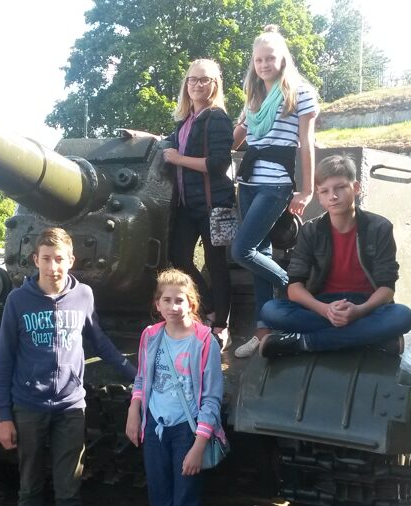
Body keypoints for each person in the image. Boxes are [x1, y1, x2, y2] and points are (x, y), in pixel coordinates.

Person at [0, 227, 137, 506]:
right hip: (28, 407)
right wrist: (4, 415)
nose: (53, 266)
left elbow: (99, 341)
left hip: (70, 407)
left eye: (59, 259)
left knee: (69, 490)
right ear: (35, 260)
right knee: (29, 487)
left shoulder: (83, 295)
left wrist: (135, 374)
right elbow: (4, 360)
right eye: (46, 258)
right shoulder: (18, 301)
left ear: (71, 260)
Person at [125, 269, 225, 506]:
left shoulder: (204, 341)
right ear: (157, 304)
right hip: (156, 427)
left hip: (187, 430)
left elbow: (211, 398)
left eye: (179, 300)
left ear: (191, 303)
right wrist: (134, 409)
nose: (173, 306)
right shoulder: (151, 335)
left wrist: (199, 445)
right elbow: (142, 378)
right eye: (166, 300)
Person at [259, 154, 411, 357]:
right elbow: (294, 288)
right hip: (322, 305)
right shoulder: (311, 230)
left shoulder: (379, 227)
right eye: (325, 191)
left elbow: (387, 288)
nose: (333, 196)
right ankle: (370, 340)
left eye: (340, 187)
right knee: (271, 310)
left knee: (403, 316)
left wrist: (359, 311)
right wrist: (325, 310)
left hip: (366, 306)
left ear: (356, 188)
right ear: (319, 196)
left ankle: (305, 343)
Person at [231, 25, 319, 358]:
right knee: (259, 255)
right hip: (248, 182)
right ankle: (263, 330)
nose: (264, 64)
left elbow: (306, 144)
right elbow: (237, 139)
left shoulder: (299, 92)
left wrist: (306, 190)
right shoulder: (253, 97)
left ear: (282, 59)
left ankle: (302, 294)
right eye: (259, 60)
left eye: (270, 58)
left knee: (243, 251)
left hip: (276, 183)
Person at [163, 58, 235, 351]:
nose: (197, 85)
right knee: (178, 255)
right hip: (187, 203)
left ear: (214, 85)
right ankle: (209, 308)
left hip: (212, 203)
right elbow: (168, 144)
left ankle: (221, 325)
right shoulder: (185, 121)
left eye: (204, 79)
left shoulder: (217, 118)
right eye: (192, 79)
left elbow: (219, 164)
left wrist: (179, 160)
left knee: (217, 264)